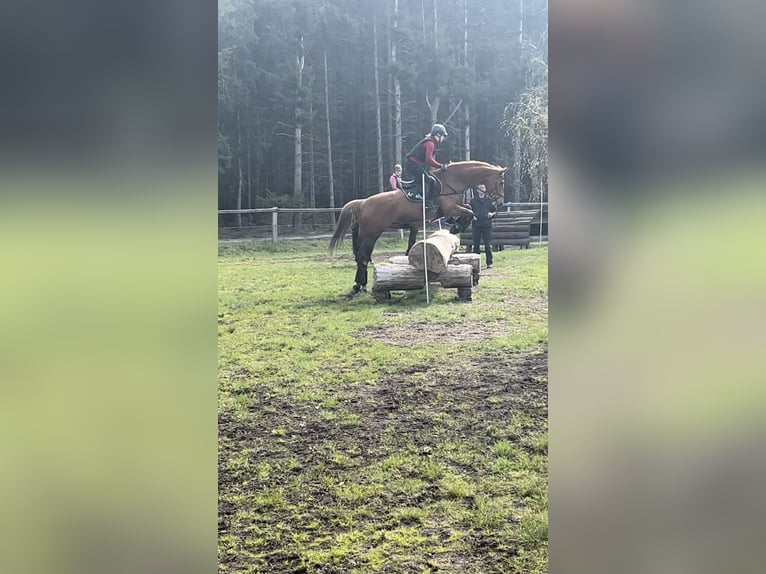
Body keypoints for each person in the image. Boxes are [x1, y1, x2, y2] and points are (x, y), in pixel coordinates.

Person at [404, 123, 450, 210]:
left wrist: (437, 167)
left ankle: (427, 201)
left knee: (431, 180)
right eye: (443, 136)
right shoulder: (430, 143)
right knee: (428, 180)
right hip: (412, 164)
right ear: (438, 135)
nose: (443, 138)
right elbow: (428, 160)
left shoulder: (430, 142)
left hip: (416, 164)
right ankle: (422, 201)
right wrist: (441, 166)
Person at [469, 183, 498, 268]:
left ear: (485, 190)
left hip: (487, 225)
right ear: (478, 190)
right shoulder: (472, 201)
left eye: (483, 188)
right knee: (476, 245)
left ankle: (489, 263)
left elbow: (496, 211)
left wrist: (492, 214)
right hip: (476, 225)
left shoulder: (489, 201)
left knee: (488, 245)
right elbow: (469, 212)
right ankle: (475, 264)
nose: (482, 189)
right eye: (480, 188)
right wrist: (472, 216)